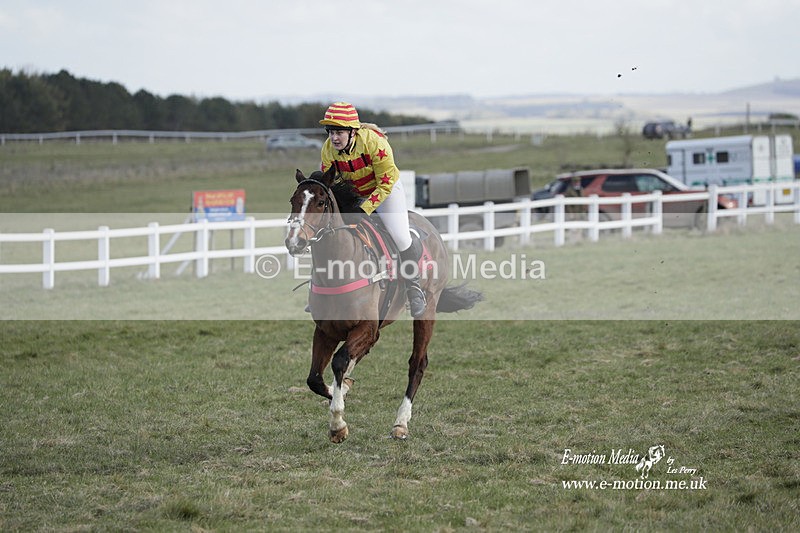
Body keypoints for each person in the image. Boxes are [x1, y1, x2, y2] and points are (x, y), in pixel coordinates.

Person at [319, 102, 427, 318]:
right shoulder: (328, 150)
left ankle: (414, 288)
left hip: (386, 190)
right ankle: (324, 292)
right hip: (355, 193)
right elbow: (329, 184)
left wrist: (365, 209)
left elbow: (385, 184)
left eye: (339, 132)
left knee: (400, 236)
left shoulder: (375, 143)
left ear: (353, 131)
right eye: (331, 132)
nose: (334, 138)